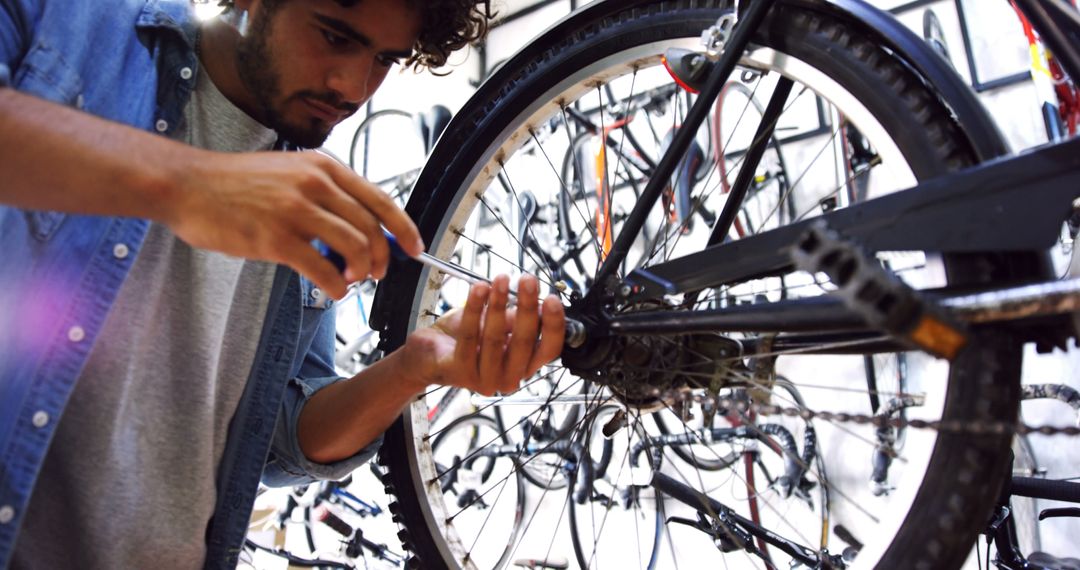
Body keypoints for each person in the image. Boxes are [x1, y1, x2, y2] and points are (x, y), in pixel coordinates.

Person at [0, 0, 566, 568]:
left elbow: (277, 440)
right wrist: (184, 185)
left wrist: (413, 367)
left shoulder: (306, 193)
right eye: (334, 36)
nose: (352, 86)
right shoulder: (69, 25)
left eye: (384, 60)